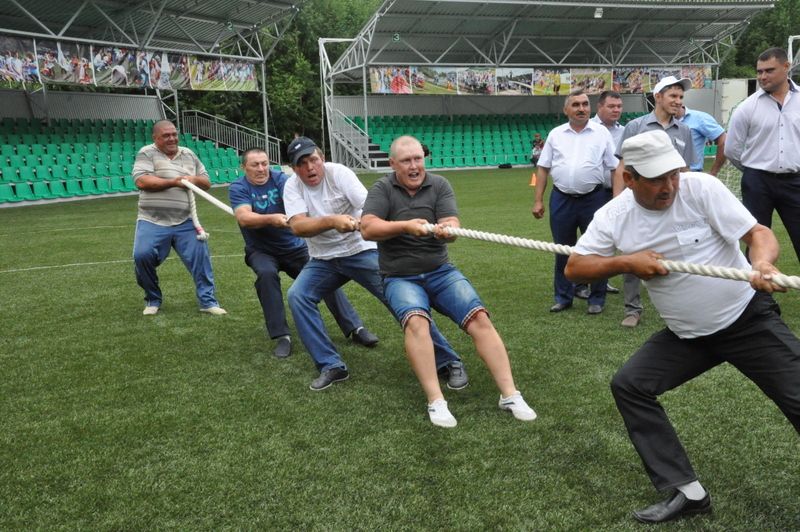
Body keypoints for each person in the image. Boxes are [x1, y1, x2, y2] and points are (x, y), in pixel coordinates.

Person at [565, 129, 800, 524]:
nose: (669, 186)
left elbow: (757, 234)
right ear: (630, 176)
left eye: (672, 174)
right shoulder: (614, 216)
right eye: (656, 178)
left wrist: (761, 264)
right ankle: (687, 492)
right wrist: (627, 263)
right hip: (688, 336)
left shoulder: (700, 188)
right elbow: (575, 267)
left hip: (747, 320)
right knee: (630, 384)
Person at [361, 135, 536, 428]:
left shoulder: (439, 184)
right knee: (418, 323)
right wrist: (405, 226)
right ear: (393, 164)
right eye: (406, 161)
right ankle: (436, 401)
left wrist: (449, 229)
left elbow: (453, 225)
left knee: (479, 318)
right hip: (400, 277)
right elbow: (368, 228)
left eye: (418, 158)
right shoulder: (382, 188)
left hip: (440, 271)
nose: (414, 166)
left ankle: (509, 394)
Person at [283, 137, 468, 391]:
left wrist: (362, 225)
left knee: (400, 300)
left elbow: (371, 211)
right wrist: (333, 221)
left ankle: (447, 361)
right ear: (294, 169)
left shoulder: (340, 175)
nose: (310, 168)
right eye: (301, 164)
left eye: (313, 160)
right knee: (298, 296)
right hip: (324, 259)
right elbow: (297, 226)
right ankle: (331, 365)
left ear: (321, 158)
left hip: (361, 250)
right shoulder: (292, 186)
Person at [228, 147, 374, 359]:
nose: (261, 169)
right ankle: (282, 336)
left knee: (325, 273)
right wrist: (271, 219)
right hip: (261, 250)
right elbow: (244, 218)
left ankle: (355, 328)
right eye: (254, 165)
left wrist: (297, 221)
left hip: (294, 246)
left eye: (264, 163)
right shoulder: (238, 188)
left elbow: (299, 209)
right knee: (266, 275)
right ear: (244, 167)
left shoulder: (282, 180)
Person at [610, 76, 696, 328]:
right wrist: (617, 201)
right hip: (639, 202)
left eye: (681, 97)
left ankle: (680, 307)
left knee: (681, 252)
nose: (678, 102)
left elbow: (686, 169)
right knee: (633, 252)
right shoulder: (635, 126)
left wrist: (689, 202)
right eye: (673, 96)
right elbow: (622, 167)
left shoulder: (685, 131)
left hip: (673, 202)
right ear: (658, 97)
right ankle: (632, 309)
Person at [532, 90, 618, 314]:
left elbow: (614, 168)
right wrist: (538, 200)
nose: (582, 108)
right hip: (561, 199)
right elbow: (543, 168)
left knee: (597, 249)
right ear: (566, 109)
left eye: (585, 104)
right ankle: (563, 297)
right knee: (563, 250)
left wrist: (618, 200)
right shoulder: (555, 134)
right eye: (576, 104)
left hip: (594, 199)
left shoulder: (601, 133)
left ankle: (596, 299)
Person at [132, 120, 226, 316]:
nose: (172, 138)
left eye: (174, 134)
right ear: (155, 138)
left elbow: (206, 181)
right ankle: (153, 298)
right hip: (152, 219)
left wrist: (193, 180)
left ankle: (207, 301)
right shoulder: (146, 153)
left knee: (201, 257)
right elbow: (141, 180)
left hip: (185, 220)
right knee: (142, 256)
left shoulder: (188, 154)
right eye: (166, 135)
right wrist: (174, 181)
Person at [725, 47, 800, 261]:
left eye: (769, 70)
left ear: (786, 67)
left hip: (795, 181)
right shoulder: (747, 107)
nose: (762, 76)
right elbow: (731, 149)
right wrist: (753, 169)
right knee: (757, 240)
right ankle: (757, 294)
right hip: (758, 182)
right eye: (759, 71)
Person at [675, 104, 727, 175]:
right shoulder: (658, 120)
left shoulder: (699, 118)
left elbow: (723, 141)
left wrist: (713, 172)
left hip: (690, 175)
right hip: (662, 176)